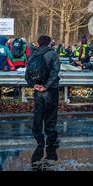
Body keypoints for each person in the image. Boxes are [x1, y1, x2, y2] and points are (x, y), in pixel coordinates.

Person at [25, 35, 61, 164]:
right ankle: (50, 141)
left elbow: (27, 75)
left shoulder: (33, 54)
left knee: (38, 114)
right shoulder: (52, 54)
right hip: (50, 90)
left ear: (39, 43)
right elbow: (55, 73)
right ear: (48, 43)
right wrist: (46, 86)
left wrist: (34, 85)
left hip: (37, 90)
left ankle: (39, 140)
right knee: (51, 115)